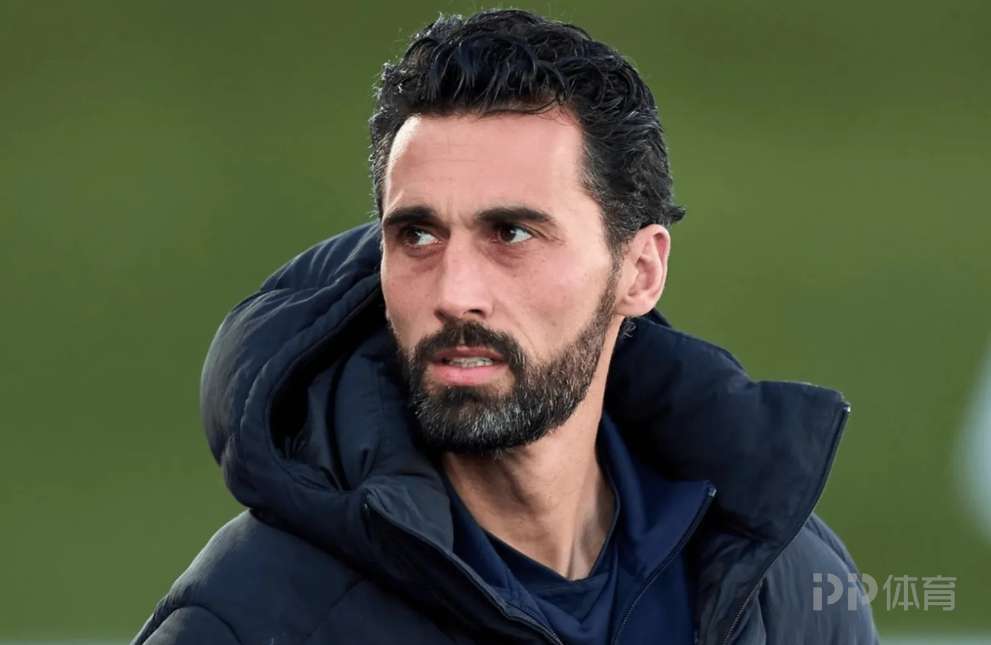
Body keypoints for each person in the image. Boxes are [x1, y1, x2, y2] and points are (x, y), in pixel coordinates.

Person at [132, 9, 879, 645]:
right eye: (417, 236)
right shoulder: (249, 617)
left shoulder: (784, 587)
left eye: (512, 234)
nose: (455, 293)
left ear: (639, 271)